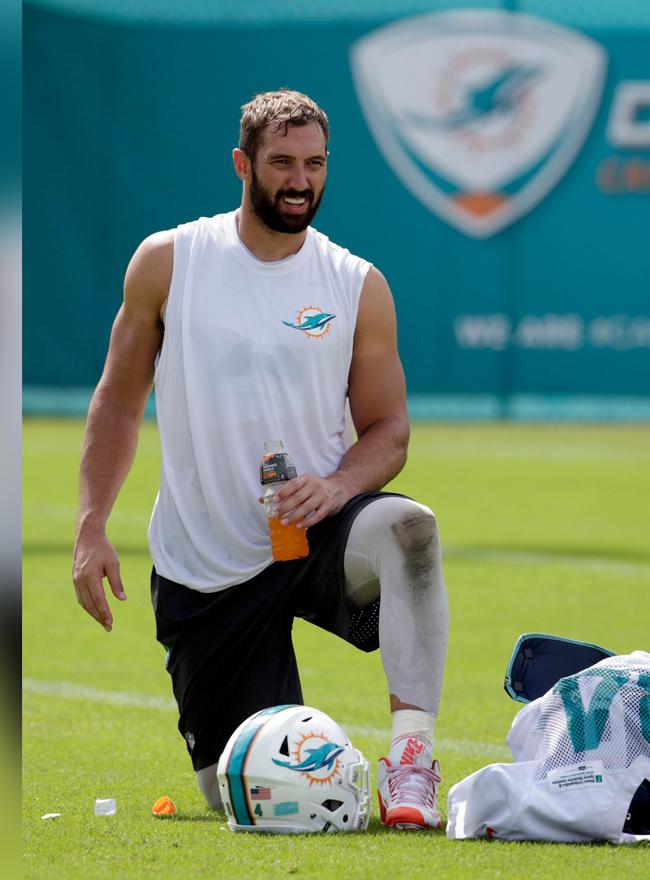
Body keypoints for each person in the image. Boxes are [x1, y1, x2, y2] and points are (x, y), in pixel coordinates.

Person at [71, 90, 449, 829]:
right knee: (242, 793)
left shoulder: (355, 284)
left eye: (314, 164)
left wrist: (339, 485)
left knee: (410, 530)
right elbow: (118, 398)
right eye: (282, 163)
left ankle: (411, 764)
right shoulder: (169, 262)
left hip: (317, 529)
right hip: (207, 562)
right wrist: (90, 527)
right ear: (243, 164)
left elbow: (390, 430)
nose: (299, 180)